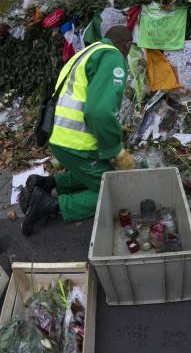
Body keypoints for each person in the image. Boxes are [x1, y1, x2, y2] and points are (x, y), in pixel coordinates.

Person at [19, 26, 135, 236]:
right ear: (127, 45)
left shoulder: (85, 53)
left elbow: (80, 101)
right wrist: (116, 150)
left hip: (60, 138)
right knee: (115, 192)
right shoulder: (113, 57)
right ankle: (50, 205)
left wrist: (114, 128)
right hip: (77, 144)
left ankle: (47, 183)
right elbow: (98, 112)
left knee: (93, 172)